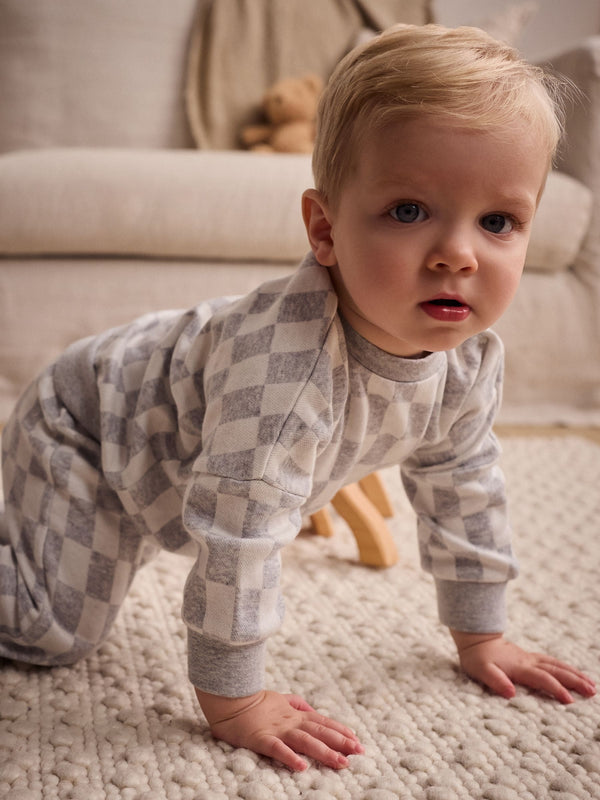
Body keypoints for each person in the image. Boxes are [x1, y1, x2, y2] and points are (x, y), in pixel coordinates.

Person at [0, 23, 596, 772]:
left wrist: (482, 635)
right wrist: (236, 701)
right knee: (50, 630)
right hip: (88, 427)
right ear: (325, 229)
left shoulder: (469, 359)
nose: (459, 253)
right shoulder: (285, 380)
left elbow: (464, 486)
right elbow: (238, 534)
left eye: (499, 221)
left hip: (180, 427)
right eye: (409, 211)